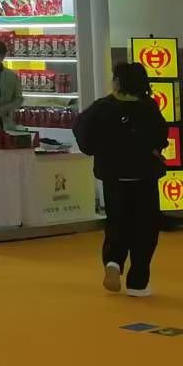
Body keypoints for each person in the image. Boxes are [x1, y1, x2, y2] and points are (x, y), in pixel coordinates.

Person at [75, 62, 168, 297]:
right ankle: (138, 282)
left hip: (113, 176)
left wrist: (96, 150)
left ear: (118, 81)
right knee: (145, 226)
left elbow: (81, 129)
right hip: (144, 175)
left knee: (117, 222)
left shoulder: (103, 107)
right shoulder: (148, 107)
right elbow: (160, 136)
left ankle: (113, 262)